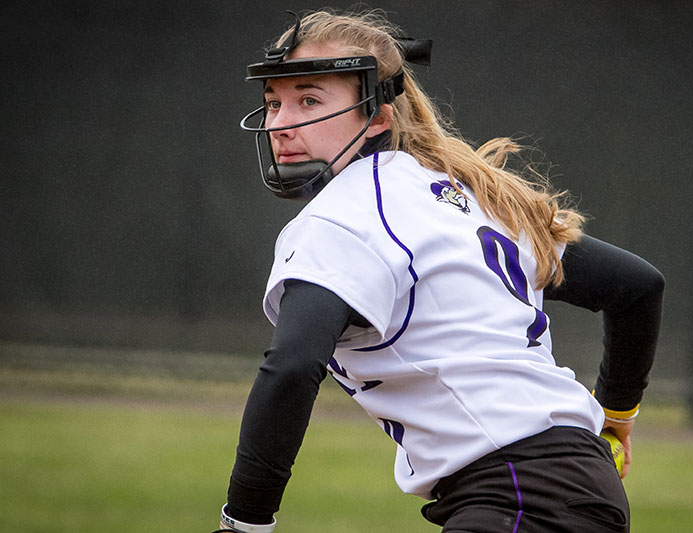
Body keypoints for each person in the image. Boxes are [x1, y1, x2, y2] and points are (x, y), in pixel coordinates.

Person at [218, 8, 664, 533]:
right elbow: (637, 287)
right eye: (273, 103)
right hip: (561, 483)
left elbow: (292, 368)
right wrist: (615, 418)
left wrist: (244, 523)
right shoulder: (468, 192)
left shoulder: (344, 216)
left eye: (309, 99)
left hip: (520, 493)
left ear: (378, 117)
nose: (281, 122)